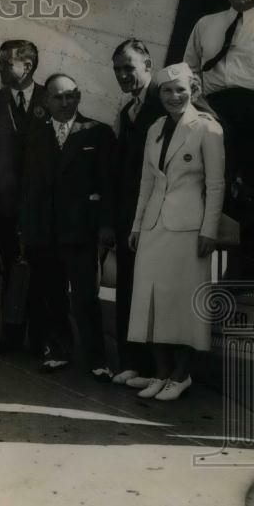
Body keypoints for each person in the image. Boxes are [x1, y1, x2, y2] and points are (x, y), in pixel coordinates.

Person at [128, 63, 225, 401]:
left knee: (180, 302)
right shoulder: (155, 126)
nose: (173, 96)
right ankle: (160, 372)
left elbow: (215, 185)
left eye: (180, 90)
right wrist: (138, 225)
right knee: (149, 300)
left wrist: (209, 230)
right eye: (167, 91)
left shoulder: (207, 128)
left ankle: (181, 375)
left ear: (193, 91)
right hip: (154, 225)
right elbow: (146, 182)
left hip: (188, 228)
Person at [183, 0, 254, 271]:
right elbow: (190, 70)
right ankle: (200, 264)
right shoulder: (206, 25)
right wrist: (201, 107)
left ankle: (251, 270)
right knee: (211, 185)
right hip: (215, 110)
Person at [20, 73, 115, 379]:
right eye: (57, 97)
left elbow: (109, 184)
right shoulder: (34, 134)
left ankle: (98, 359)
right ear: (46, 101)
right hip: (44, 230)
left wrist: (105, 225)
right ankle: (60, 350)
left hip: (80, 231)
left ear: (79, 97)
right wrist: (26, 226)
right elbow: (28, 185)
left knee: (85, 297)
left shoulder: (98, 133)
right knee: (52, 294)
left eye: (70, 96)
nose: (64, 102)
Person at [0, 39, 49, 354]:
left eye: (6, 63)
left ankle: (41, 339)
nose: (0, 68)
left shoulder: (52, 98)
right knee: (9, 270)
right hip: (3, 206)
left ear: (27, 66)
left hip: (42, 207)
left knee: (42, 271)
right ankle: (10, 335)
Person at [109, 39, 165, 387]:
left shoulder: (166, 99)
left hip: (157, 212)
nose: (123, 75)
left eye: (129, 67)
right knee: (128, 285)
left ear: (147, 64)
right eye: (117, 69)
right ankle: (132, 362)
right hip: (129, 212)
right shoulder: (128, 108)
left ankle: (154, 368)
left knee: (151, 290)